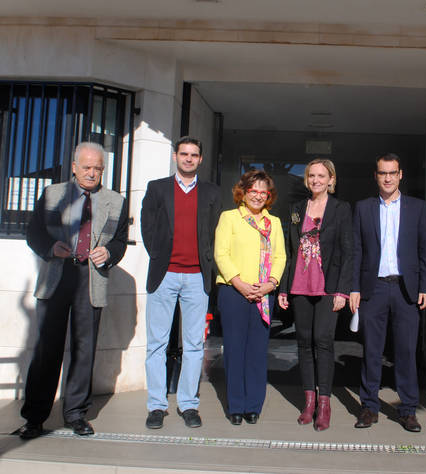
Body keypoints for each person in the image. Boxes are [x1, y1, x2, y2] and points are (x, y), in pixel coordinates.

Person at [18, 142, 128, 439]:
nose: (93, 173)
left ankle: (76, 414)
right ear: (75, 167)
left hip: (90, 280)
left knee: (84, 351)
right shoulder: (52, 194)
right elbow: (34, 232)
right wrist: (50, 247)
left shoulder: (116, 201)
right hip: (57, 277)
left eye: (98, 168)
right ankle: (35, 417)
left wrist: (109, 253)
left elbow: (119, 240)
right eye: (88, 167)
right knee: (46, 350)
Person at [141, 136, 221, 430]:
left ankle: (188, 405)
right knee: (156, 344)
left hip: (197, 278)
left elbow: (215, 232)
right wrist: (161, 256)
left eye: (194, 155)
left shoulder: (212, 192)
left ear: (200, 159)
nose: (188, 158)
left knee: (193, 345)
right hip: (165, 275)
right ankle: (157, 405)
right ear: (175, 156)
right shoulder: (157, 188)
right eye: (184, 153)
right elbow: (147, 227)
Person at [349, 153, 426, 433]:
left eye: (392, 173)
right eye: (382, 173)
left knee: (406, 352)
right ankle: (369, 407)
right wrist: (355, 287)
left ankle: (408, 410)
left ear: (400, 175)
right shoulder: (363, 208)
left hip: (407, 289)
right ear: (376, 175)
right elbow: (357, 250)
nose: (387, 178)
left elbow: (424, 251)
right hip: (375, 288)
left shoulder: (417, 208)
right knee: (371, 350)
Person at [278, 159, 353, 431]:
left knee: (323, 340)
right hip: (299, 284)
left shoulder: (341, 209)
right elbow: (289, 250)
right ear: (307, 179)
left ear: (331, 179)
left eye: (322, 176)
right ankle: (308, 402)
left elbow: (348, 252)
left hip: (327, 286)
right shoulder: (297, 209)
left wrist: (343, 290)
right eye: (312, 176)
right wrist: (284, 287)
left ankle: (324, 403)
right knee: (303, 342)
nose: (316, 180)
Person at [214, 169, 286, 425]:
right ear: (242, 192)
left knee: (256, 352)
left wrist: (270, 284)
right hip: (234, 292)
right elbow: (221, 254)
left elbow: (280, 257)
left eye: (262, 191)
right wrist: (240, 283)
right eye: (252, 190)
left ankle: (253, 405)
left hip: (263, 295)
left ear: (268, 196)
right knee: (234, 350)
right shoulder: (229, 218)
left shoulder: (273, 223)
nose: (257, 196)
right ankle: (236, 405)